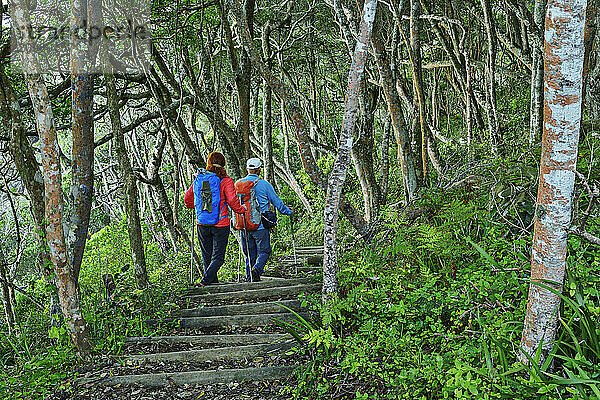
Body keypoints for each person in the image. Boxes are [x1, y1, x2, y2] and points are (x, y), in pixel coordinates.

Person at [184, 152, 246, 286]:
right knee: (218, 257)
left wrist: (196, 208)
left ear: (208, 163)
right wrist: (241, 210)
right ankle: (205, 282)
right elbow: (232, 200)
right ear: (223, 164)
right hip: (220, 224)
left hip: (202, 223)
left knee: (207, 255)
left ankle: (211, 283)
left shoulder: (201, 179)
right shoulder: (225, 180)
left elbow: (187, 199)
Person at [237, 158, 293, 282]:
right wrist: (288, 212)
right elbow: (277, 202)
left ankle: (250, 280)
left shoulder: (239, 184)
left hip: (244, 225)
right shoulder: (263, 184)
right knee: (265, 251)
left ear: (247, 169)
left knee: (249, 255)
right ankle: (256, 270)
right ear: (259, 170)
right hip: (260, 226)